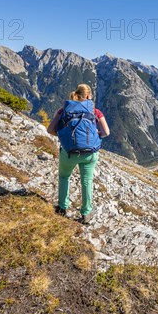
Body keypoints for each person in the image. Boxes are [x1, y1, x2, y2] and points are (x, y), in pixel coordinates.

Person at [47, 84, 110, 224]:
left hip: (69, 152)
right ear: (88, 96)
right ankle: (86, 214)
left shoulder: (64, 110)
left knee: (64, 177)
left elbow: (50, 130)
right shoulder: (95, 111)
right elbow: (106, 133)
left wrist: (64, 136)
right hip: (90, 154)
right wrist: (96, 134)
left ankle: (62, 208)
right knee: (87, 181)